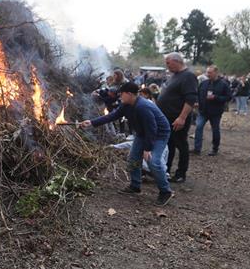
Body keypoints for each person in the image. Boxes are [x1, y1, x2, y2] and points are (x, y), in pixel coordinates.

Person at [81, 82, 173, 205]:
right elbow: (113, 116)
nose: (120, 97)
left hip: (158, 134)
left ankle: (165, 191)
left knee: (153, 161)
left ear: (129, 94)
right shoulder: (126, 105)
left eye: (122, 94)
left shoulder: (143, 106)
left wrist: (147, 149)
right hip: (142, 133)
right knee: (133, 159)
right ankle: (135, 186)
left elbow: (152, 128)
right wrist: (92, 122)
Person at [157, 52, 198, 183]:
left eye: (168, 63)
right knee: (169, 145)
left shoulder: (188, 76)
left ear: (176, 61)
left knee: (181, 144)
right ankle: (166, 169)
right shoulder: (174, 76)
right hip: (166, 118)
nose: (167, 66)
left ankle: (181, 173)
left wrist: (182, 117)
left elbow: (190, 99)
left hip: (177, 118)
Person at [193, 65, 231, 156]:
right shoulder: (204, 83)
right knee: (198, 127)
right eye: (207, 72)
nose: (208, 74)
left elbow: (228, 97)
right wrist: (196, 102)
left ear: (216, 73)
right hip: (203, 111)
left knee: (215, 130)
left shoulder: (223, 84)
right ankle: (197, 148)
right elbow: (198, 94)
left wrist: (216, 97)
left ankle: (215, 148)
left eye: (210, 72)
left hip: (215, 112)